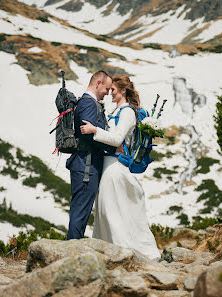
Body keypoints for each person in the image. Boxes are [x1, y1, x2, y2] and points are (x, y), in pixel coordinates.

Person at [80, 75, 160, 260]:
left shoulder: (127, 112)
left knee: (112, 212)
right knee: (105, 212)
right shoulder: (114, 110)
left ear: (123, 91)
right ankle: (108, 252)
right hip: (107, 165)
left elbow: (117, 139)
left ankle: (122, 253)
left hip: (116, 166)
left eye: (113, 90)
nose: (109, 93)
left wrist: (95, 131)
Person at [66, 70, 113, 240]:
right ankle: (72, 251)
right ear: (98, 83)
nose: (107, 93)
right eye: (106, 89)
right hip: (86, 165)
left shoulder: (88, 103)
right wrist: (112, 145)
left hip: (87, 163)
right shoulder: (88, 103)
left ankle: (73, 249)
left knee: (82, 210)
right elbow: (88, 133)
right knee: (80, 211)